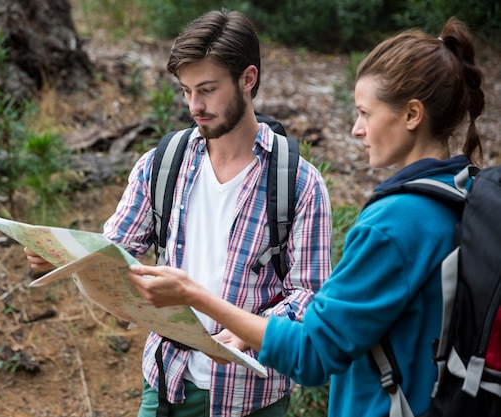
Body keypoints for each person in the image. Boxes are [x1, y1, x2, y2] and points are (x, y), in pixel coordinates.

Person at [127, 17, 486, 417]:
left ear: (412, 114)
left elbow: (314, 352)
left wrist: (197, 298)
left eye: (365, 113)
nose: (355, 129)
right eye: (187, 91)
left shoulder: (391, 225)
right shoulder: (468, 196)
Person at [25, 9, 332, 417]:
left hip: (253, 398)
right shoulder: (162, 163)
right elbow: (116, 251)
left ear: (248, 79)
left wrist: (244, 334)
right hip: (167, 386)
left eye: (207, 89)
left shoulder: (299, 183)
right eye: (186, 90)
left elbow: (309, 296)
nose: (194, 106)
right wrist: (65, 256)